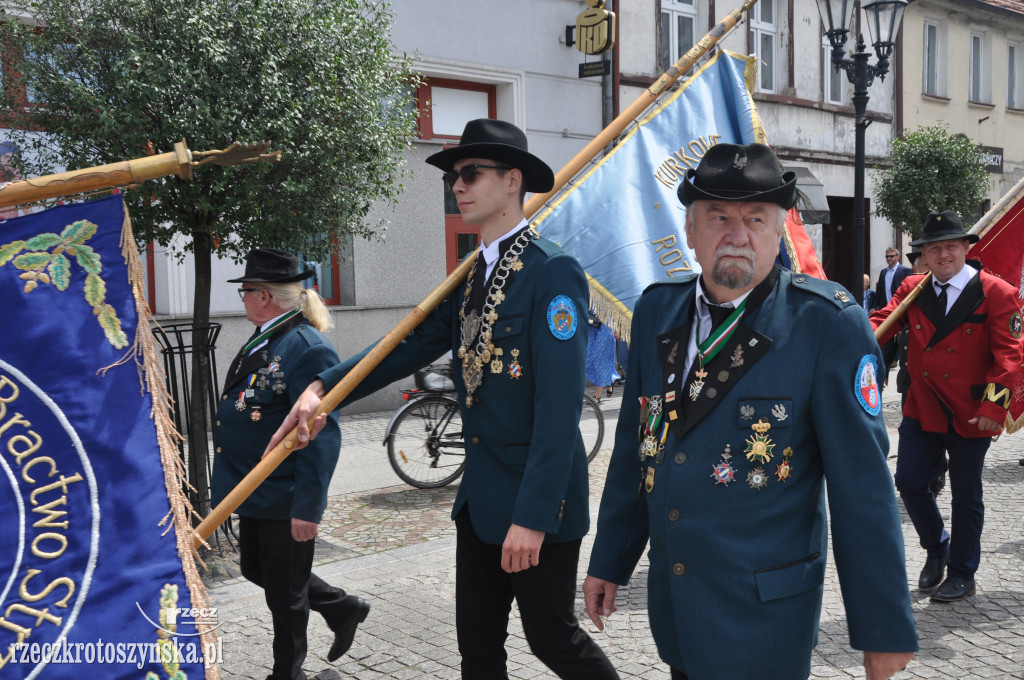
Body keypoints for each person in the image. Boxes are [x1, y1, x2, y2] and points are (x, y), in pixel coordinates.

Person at [267, 119, 619, 679]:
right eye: (453, 176)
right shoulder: (469, 277)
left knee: (553, 638)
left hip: (536, 505)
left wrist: (531, 519)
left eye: (471, 173)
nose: (457, 184)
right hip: (478, 503)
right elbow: (404, 347)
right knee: (477, 649)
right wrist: (323, 388)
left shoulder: (551, 273)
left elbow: (558, 411)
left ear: (512, 181)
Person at [582, 142, 917, 680]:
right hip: (678, 610)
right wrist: (610, 559)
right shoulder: (655, 311)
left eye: (755, 219)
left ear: (777, 230)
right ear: (690, 230)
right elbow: (636, 450)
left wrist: (883, 627)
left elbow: (864, 488)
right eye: (718, 217)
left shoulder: (825, 324)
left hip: (765, 620)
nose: (737, 234)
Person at [211, 248, 370, 680]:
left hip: (283, 494)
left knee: (285, 595)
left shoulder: (305, 347)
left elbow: (323, 432)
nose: (241, 299)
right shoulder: (266, 336)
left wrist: (307, 508)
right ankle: (343, 607)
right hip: (256, 491)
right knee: (255, 569)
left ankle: (288, 673)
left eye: (245, 291)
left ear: (263, 295)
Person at [871, 210, 1023, 602]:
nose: (942, 255)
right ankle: (937, 545)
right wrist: (848, 333)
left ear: (965, 249)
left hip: (972, 411)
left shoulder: (996, 292)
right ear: (924, 255)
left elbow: (1010, 356)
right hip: (923, 407)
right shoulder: (913, 288)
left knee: (966, 493)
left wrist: (996, 406)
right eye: (934, 248)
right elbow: (883, 322)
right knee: (907, 481)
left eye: (950, 247)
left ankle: (962, 572)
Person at [874, 248, 912, 383]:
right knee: (886, 344)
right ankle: (884, 374)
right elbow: (880, 291)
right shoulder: (884, 272)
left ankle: (896, 360)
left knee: (900, 341)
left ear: (898, 256)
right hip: (887, 309)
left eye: (891, 256)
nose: (889, 259)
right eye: (887, 257)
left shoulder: (905, 271)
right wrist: (875, 306)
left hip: (900, 310)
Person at [586, 309, 618, 401]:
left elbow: (616, 303)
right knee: (587, 358)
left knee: (601, 358)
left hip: (606, 325)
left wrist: (617, 327)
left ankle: (597, 394)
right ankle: (610, 378)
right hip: (590, 323)